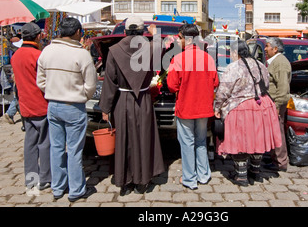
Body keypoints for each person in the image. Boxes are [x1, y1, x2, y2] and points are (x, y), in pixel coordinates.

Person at [99, 17, 165, 196]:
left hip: (122, 100)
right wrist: (155, 34)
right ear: (143, 32)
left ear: (125, 31)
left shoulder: (114, 50)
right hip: (143, 99)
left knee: (124, 140)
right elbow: (161, 50)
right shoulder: (150, 47)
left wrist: (105, 108)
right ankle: (142, 181)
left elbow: (110, 82)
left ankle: (124, 181)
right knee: (144, 139)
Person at [37, 17, 97, 202]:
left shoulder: (46, 51)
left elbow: (40, 81)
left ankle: (58, 187)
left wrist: (53, 91)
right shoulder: (81, 54)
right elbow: (91, 85)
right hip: (74, 106)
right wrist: (81, 96)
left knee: (56, 148)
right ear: (78, 32)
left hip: (53, 105)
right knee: (74, 149)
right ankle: (76, 189)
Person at [214, 40, 282, 186]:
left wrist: (217, 107)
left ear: (234, 53)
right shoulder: (261, 65)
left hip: (241, 107)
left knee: (241, 141)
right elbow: (266, 85)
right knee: (257, 139)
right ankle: (255, 171)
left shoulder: (234, 67)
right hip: (262, 105)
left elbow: (224, 90)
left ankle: (241, 176)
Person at [167, 24, 219, 190]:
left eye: (180, 38)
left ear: (186, 39)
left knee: (187, 143)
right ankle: (203, 175)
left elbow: (172, 86)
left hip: (186, 107)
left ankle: (190, 178)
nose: (178, 41)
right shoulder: (208, 58)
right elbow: (216, 82)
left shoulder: (178, 59)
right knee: (201, 140)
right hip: (204, 107)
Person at [10, 22, 51, 191]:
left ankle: (30, 178)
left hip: (25, 105)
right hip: (40, 103)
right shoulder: (38, 55)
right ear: (38, 36)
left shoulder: (16, 55)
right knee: (45, 143)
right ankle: (45, 177)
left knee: (30, 143)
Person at [263, 37, 291, 172]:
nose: (265, 49)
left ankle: (280, 162)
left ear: (275, 49)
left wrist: (277, 105)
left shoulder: (280, 63)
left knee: (278, 132)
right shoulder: (275, 62)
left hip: (276, 104)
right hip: (272, 103)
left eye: (267, 46)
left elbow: (283, 88)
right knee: (274, 132)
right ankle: (274, 158)